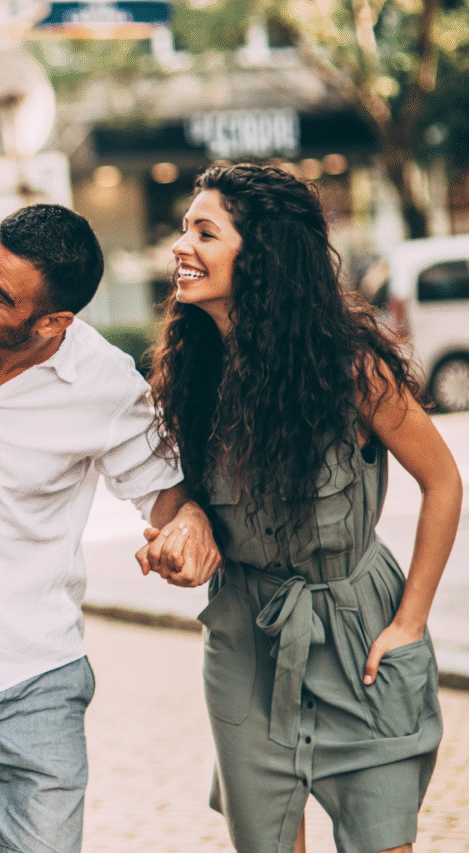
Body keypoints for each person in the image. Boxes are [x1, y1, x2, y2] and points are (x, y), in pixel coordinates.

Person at [0, 203, 220, 853]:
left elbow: (167, 496)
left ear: (54, 321)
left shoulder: (105, 383)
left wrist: (189, 525)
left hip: (39, 684)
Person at [148, 163, 458, 853]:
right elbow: (178, 494)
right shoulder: (192, 369)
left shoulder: (351, 365)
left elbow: (443, 481)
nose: (181, 245)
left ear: (261, 253)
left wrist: (411, 620)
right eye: (184, 227)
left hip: (360, 633)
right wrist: (184, 525)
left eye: (205, 230)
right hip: (246, 636)